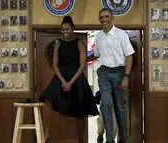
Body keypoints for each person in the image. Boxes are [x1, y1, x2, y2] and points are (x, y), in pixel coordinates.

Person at [39, 16, 99, 143]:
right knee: (47, 99)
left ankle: (81, 140)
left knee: (80, 110)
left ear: (73, 29)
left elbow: (82, 65)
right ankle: (46, 133)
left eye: (67, 29)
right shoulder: (58, 44)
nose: (64, 32)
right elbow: (55, 65)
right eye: (62, 30)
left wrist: (70, 82)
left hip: (76, 77)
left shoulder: (80, 43)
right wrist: (63, 81)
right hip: (60, 76)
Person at [88, 8, 135, 143]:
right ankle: (109, 140)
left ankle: (122, 139)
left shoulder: (121, 35)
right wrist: (82, 60)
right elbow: (97, 54)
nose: (104, 19)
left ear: (112, 18)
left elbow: (130, 56)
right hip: (104, 73)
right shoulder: (98, 36)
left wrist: (126, 76)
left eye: (107, 16)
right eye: (101, 17)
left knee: (120, 108)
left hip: (120, 73)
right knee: (106, 105)